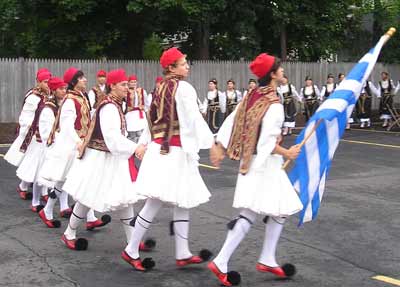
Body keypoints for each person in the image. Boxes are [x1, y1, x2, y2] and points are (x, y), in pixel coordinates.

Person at [208, 53, 302, 286]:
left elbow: (231, 119)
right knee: (253, 213)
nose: (282, 72)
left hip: (250, 162)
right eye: (279, 69)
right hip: (264, 165)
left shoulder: (251, 95)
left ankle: (267, 258)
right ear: (272, 74)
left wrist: (220, 144)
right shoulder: (274, 105)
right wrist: (287, 152)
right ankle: (221, 261)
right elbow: (267, 144)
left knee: (278, 209)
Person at [122, 47, 217, 271]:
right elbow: (193, 118)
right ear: (171, 68)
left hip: (163, 151)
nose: (187, 66)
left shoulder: (161, 87)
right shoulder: (183, 88)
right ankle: (131, 249)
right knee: (156, 201)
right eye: (183, 63)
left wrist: (146, 142)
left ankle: (182, 252)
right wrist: (211, 142)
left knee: (182, 200)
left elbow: (151, 119)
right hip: (172, 154)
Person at [60, 69, 154, 252]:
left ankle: (132, 241)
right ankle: (69, 233)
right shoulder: (109, 106)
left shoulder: (114, 104)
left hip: (112, 157)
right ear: (113, 86)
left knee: (125, 199)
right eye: (123, 85)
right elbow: (112, 138)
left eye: (127, 84)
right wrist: (135, 148)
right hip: (101, 158)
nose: (127, 88)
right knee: (88, 197)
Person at [38, 67, 110, 231]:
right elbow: (67, 126)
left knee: (77, 180)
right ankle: (49, 210)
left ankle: (87, 217)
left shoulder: (81, 97)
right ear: (74, 82)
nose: (85, 79)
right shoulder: (70, 100)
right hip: (72, 146)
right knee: (71, 181)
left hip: (80, 144)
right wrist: (78, 142)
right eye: (81, 78)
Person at [4, 69, 51, 200]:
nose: (47, 84)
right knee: (34, 162)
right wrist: (32, 128)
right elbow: (26, 116)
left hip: (47, 133)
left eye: (49, 82)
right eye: (45, 82)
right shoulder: (33, 96)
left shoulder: (50, 95)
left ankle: (41, 190)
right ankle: (26, 187)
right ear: (39, 82)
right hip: (34, 134)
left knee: (44, 162)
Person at [37, 77, 72, 227]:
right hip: (54, 148)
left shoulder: (65, 105)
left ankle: (63, 207)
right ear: (54, 90)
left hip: (65, 147)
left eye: (65, 88)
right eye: (61, 89)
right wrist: (63, 140)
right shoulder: (48, 108)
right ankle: (47, 208)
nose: (64, 91)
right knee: (61, 178)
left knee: (65, 178)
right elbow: (47, 133)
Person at [124, 75, 149, 142]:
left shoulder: (142, 91)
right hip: (130, 114)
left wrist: (147, 114)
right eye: (132, 82)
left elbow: (146, 104)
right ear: (128, 83)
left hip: (140, 115)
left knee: (142, 133)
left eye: (135, 82)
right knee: (131, 133)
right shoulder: (126, 92)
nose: (133, 83)